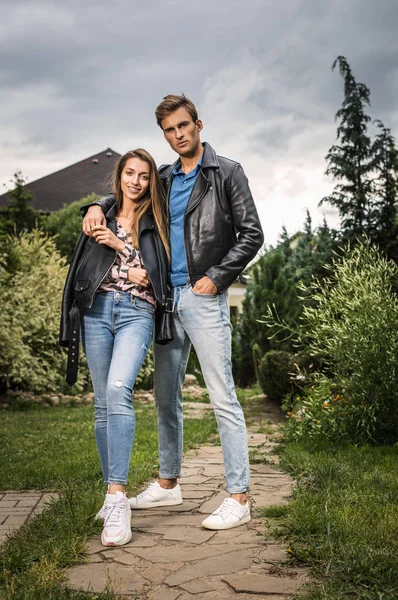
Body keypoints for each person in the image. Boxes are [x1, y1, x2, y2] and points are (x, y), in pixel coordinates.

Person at [82, 94, 264, 530]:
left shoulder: (226, 173)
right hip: (163, 301)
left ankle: (239, 497)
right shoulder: (162, 179)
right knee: (167, 396)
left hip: (202, 296)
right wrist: (95, 205)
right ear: (164, 135)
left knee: (222, 397)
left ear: (198, 125)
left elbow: (252, 233)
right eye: (169, 130)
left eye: (183, 126)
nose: (177, 135)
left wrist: (216, 277)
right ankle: (168, 483)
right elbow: (125, 199)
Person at [59, 148, 170, 546]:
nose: (136, 181)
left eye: (143, 175)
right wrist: (96, 209)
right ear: (119, 176)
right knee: (102, 403)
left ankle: (118, 496)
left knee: (119, 388)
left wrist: (121, 247)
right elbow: (81, 269)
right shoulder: (99, 214)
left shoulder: (157, 221)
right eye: (129, 173)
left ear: (150, 181)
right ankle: (111, 493)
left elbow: (163, 272)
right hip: (96, 311)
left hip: (136, 312)